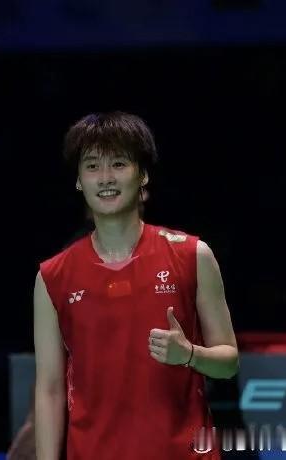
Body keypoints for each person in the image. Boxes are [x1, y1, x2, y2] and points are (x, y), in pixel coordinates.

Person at [32, 112, 239, 459]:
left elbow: (229, 362)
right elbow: (50, 390)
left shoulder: (192, 255)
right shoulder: (52, 277)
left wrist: (189, 354)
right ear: (79, 180)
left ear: (143, 175)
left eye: (119, 164)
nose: (105, 178)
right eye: (92, 166)